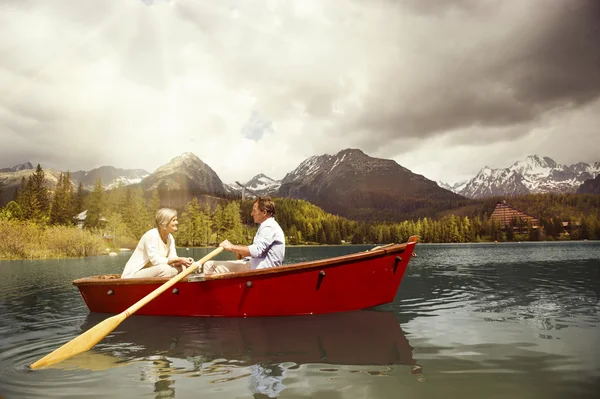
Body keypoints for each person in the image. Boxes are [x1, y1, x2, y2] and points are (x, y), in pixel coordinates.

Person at [203, 196, 285, 274]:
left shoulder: (269, 226)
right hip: (258, 267)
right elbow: (260, 251)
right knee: (211, 265)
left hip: (262, 272)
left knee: (209, 266)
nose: (251, 214)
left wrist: (231, 247)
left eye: (254, 211)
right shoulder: (269, 225)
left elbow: (256, 250)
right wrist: (242, 251)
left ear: (264, 212)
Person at [121, 208, 194, 278]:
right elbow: (156, 261)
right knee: (164, 269)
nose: (177, 222)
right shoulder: (151, 235)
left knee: (183, 267)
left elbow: (173, 259)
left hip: (153, 272)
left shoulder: (170, 238)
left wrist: (184, 261)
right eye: (174, 220)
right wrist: (178, 260)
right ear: (164, 223)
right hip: (133, 274)